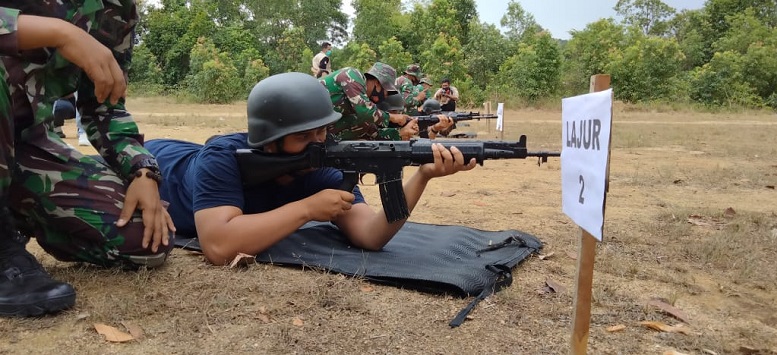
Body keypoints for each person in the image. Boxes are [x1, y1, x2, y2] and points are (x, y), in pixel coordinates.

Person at [144, 72, 476, 266]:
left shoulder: (322, 169)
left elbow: (371, 236)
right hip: (155, 162)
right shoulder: (224, 157)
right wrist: (306, 210)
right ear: (270, 140)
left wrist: (423, 176)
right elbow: (217, 246)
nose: (319, 143)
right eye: (304, 136)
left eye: (322, 132)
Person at [0, 2, 176, 317]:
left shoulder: (117, 9)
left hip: (26, 141)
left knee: (145, 238)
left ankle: (15, 217)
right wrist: (61, 33)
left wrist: (142, 171)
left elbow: (104, 105)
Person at [321, 62, 411, 141]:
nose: (385, 96)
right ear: (377, 83)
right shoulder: (351, 75)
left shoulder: (360, 99)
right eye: (386, 91)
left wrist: (401, 132)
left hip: (320, 127)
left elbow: (371, 130)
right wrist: (394, 117)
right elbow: (366, 112)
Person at [377, 93, 451, 141]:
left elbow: (424, 145)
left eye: (398, 112)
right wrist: (401, 133)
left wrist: (435, 129)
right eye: (393, 112)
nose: (397, 115)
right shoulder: (373, 129)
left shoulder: (402, 123)